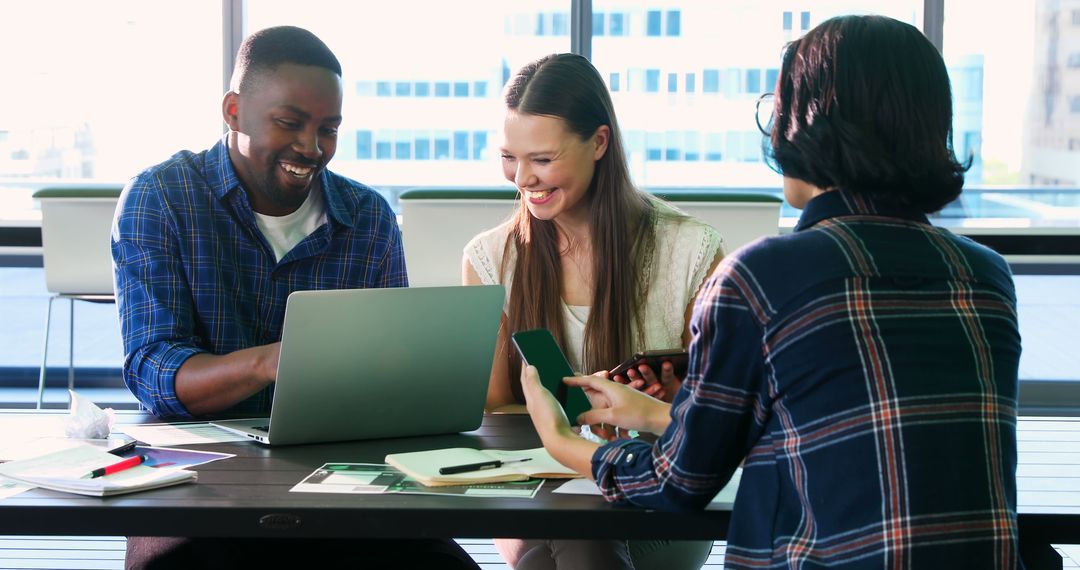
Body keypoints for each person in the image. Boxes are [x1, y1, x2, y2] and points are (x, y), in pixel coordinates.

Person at [520, 15, 1023, 570]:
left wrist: (566, 443)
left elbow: (678, 485)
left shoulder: (761, 279)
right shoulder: (986, 278)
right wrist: (661, 416)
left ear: (804, 125)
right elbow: (826, 426)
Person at [112, 26, 477, 570]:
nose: (311, 147)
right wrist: (273, 361)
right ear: (234, 111)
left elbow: (388, 382)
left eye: (328, 129)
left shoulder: (368, 218)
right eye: (289, 123)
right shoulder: (161, 198)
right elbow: (154, 374)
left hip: (342, 480)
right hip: (200, 481)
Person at [463, 53, 723, 570]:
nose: (522, 179)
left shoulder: (690, 252)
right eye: (509, 157)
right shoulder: (490, 258)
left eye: (542, 158)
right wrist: (571, 428)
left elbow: (716, 414)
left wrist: (644, 410)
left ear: (599, 142)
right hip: (534, 485)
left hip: (657, 493)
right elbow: (492, 412)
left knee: (570, 544)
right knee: (576, 533)